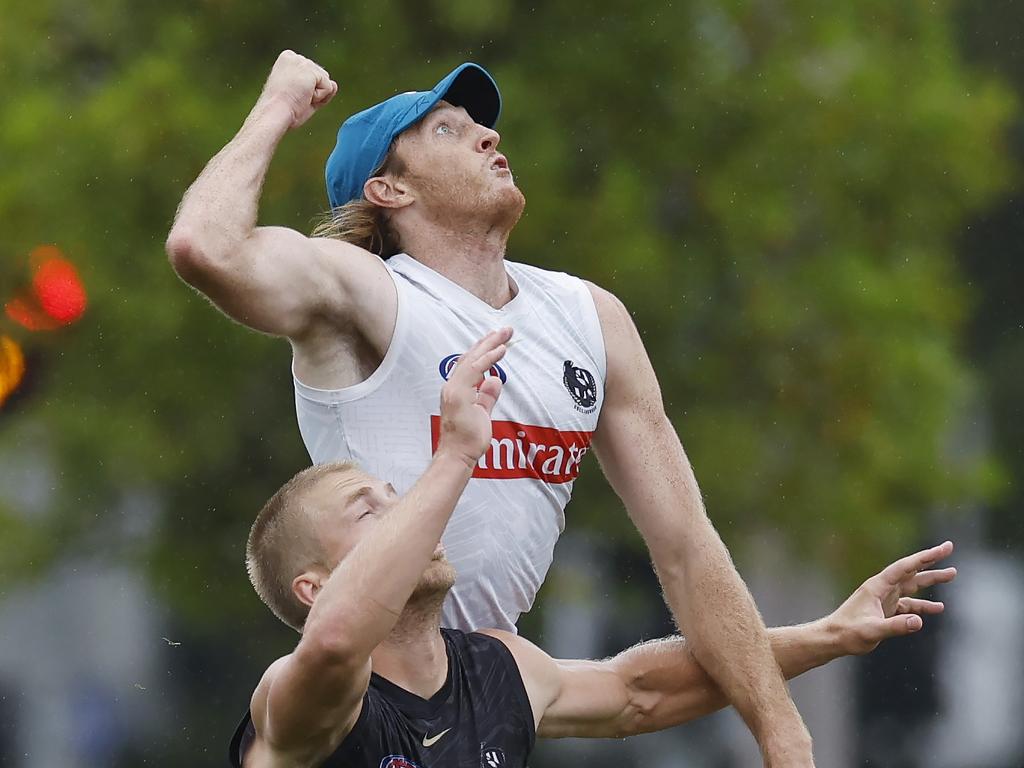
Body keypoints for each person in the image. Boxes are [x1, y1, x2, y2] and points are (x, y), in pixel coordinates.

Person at [168, 49, 820, 761]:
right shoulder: (368, 293)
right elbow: (205, 248)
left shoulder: (588, 317)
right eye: (447, 130)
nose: (488, 135)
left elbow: (687, 554)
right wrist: (278, 108)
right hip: (364, 696)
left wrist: (785, 735)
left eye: (481, 124)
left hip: (482, 691)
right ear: (388, 189)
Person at [229, 328, 957, 768]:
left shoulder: (496, 667)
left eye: (400, 496)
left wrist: (829, 634)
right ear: (313, 587)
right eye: (370, 511)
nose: (408, 516)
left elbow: (642, 691)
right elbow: (332, 649)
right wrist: (455, 458)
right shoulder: (295, 702)